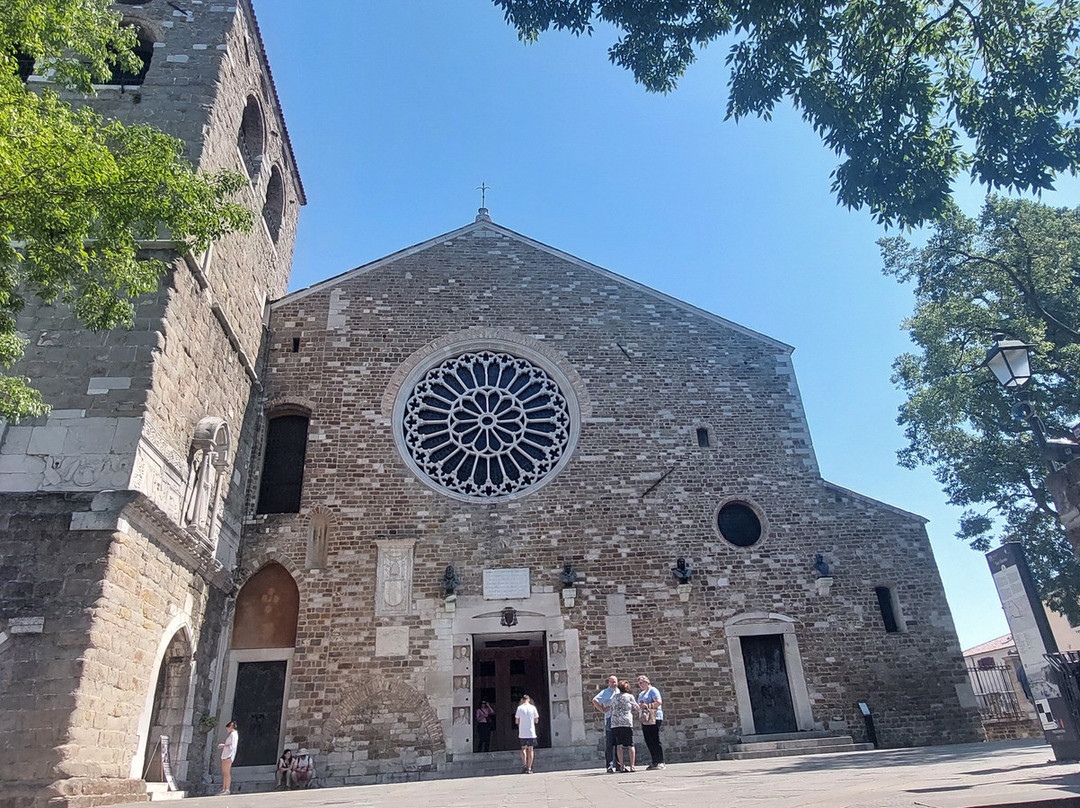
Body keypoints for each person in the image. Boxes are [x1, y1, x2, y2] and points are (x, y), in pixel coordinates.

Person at [610, 680, 640, 773]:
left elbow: (611, 708)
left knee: (619, 745)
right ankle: (632, 766)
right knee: (630, 744)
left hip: (615, 722)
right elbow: (637, 707)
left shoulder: (614, 697)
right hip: (626, 722)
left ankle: (622, 765)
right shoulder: (630, 697)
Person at [637, 675, 665, 770]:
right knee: (648, 740)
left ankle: (660, 761)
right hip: (645, 719)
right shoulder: (641, 694)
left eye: (642, 682)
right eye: (639, 683)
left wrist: (647, 705)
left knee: (655, 739)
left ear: (647, 682)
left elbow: (658, 702)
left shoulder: (653, 690)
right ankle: (654, 761)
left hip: (654, 717)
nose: (640, 685)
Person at [591, 674, 619, 772]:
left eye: (615, 682)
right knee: (610, 743)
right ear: (608, 683)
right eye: (612, 682)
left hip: (619, 719)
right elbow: (595, 700)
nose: (614, 684)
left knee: (618, 743)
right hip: (610, 719)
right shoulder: (605, 692)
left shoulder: (619, 691)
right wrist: (603, 709)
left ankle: (619, 764)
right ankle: (610, 765)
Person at [515, 694, 540, 773]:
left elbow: (516, 721)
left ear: (522, 700)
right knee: (531, 749)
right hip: (531, 732)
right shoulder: (533, 708)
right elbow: (536, 720)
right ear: (529, 699)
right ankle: (529, 768)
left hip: (522, 732)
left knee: (523, 748)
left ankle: (524, 764)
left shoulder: (519, 708)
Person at [216, 720, 238, 795]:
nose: (227, 729)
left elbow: (233, 746)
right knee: (224, 772)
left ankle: (227, 789)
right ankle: (224, 788)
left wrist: (223, 745)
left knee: (227, 772)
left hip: (229, 755)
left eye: (228, 728)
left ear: (231, 727)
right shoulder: (231, 734)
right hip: (225, 755)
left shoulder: (234, 735)